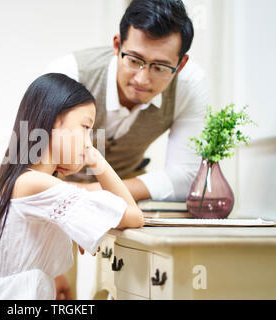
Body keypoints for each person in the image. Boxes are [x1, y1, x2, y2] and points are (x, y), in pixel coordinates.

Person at [45, 0, 209, 299]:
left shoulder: (190, 85)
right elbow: (28, 165)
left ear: (181, 63)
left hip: (126, 192)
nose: (143, 79)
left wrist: (95, 193)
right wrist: (51, 266)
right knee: (55, 294)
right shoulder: (67, 73)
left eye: (160, 67)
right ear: (117, 44)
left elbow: (185, 176)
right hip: (55, 192)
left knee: (127, 287)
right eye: (134, 59)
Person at [0, 73, 144, 300]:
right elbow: (134, 216)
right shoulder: (36, 184)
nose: (88, 141)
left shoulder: (24, 180)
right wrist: (96, 159)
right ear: (52, 121)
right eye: (85, 127)